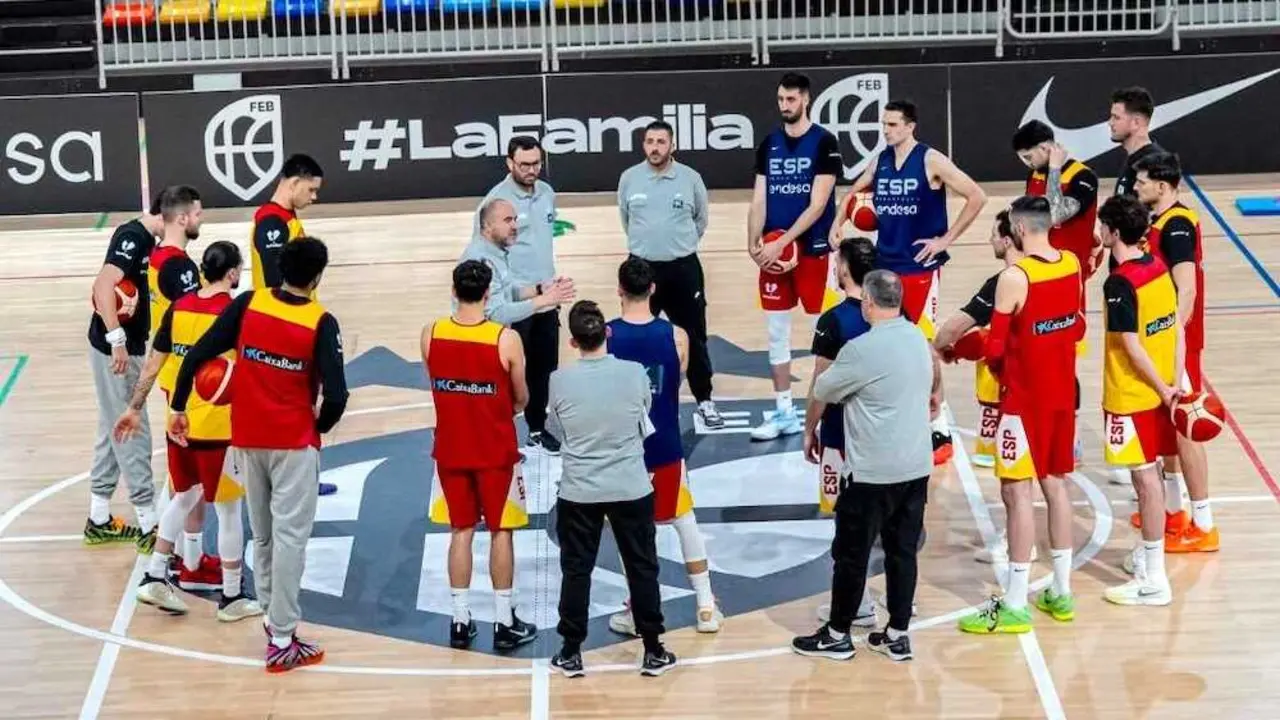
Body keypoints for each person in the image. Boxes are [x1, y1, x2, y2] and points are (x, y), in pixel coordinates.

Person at [168, 237, 348, 674]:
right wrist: (316, 430)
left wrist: (178, 406)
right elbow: (338, 395)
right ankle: (283, 638)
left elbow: (199, 353)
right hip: (292, 445)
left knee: (263, 533)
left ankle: (271, 615)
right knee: (290, 540)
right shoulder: (320, 321)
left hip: (246, 439)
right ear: (318, 277)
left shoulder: (249, 303)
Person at [792, 270, 938, 664]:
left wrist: (811, 428)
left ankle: (838, 634)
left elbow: (824, 389)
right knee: (902, 552)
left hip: (873, 471)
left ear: (869, 303)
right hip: (916, 466)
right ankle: (897, 633)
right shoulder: (917, 337)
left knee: (851, 553)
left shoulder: (860, 348)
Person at [113, 241, 263, 622]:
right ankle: (232, 597)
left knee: (183, 497)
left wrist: (133, 407)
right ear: (233, 273)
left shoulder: (179, 308)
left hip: (178, 422)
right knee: (230, 511)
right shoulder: (233, 312)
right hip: (217, 427)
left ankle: (155, 575)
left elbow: (153, 363)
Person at [837, 99, 988, 465]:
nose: (886, 131)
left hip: (921, 267)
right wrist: (836, 223)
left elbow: (976, 195)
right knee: (888, 342)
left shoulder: (930, 160)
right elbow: (854, 192)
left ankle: (939, 426)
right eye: (883, 125)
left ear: (910, 127)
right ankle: (902, 412)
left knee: (925, 346)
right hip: (886, 266)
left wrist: (945, 240)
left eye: (892, 125)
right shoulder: (882, 161)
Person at [957, 197, 1083, 635]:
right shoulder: (1072, 264)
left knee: (1016, 496)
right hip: (1063, 395)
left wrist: (968, 349)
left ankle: (1013, 603)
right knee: (1057, 487)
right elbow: (1077, 326)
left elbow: (993, 350)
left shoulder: (1015, 277)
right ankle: (1062, 592)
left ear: (1020, 229)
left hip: (1023, 400)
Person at [546, 300, 676, 678]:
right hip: (630, 485)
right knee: (642, 567)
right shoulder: (635, 374)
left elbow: (556, 429)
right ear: (607, 333)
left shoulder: (559, 380)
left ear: (572, 342)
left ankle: (571, 651)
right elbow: (644, 412)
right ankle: (653, 649)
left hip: (579, 490)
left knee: (576, 570)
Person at [422, 259, 537, 653]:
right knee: (501, 531)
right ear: (489, 294)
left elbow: (435, 382)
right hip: (494, 450)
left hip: (451, 449)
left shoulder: (431, 333)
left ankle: (459, 620)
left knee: (461, 531)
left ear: (454, 291)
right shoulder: (505, 339)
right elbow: (521, 395)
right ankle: (504, 622)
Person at [605, 257, 722, 635]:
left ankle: (639, 608)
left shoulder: (606, 337)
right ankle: (705, 606)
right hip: (665, 443)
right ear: (653, 289)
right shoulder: (677, 336)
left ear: (620, 289)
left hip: (624, 449)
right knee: (684, 521)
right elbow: (677, 380)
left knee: (630, 531)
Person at [934, 211, 1036, 565]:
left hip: (1015, 392)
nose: (990, 240)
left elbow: (953, 329)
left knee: (1012, 478)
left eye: (994, 234)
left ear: (1008, 240)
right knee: (1046, 476)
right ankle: (1043, 546)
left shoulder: (1003, 282)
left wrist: (944, 349)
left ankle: (1019, 545)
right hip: (1055, 387)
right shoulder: (1058, 269)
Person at [746, 72, 843, 442]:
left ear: (805, 99)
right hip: (772, 252)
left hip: (815, 252)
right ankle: (785, 410)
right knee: (776, 334)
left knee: (831, 332)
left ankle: (831, 405)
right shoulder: (769, 143)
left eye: (791, 99)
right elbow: (758, 199)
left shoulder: (825, 143)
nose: (784, 106)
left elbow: (818, 205)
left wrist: (783, 242)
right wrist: (753, 245)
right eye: (781, 100)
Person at [1096, 195, 1182, 606]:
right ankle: (1147, 558)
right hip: (1161, 389)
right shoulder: (1159, 267)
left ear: (1112, 232)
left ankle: (1154, 579)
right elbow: (1176, 326)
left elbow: (1130, 346)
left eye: (1102, 226)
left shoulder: (1121, 281)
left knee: (1146, 483)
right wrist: (1174, 383)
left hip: (1134, 395)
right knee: (1151, 481)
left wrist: (1163, 389)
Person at [1133, 152, 1217, 553]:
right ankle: (1173, 511)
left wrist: (1175, 338)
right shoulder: (1159, 221)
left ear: (1162, 187)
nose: (1135, 187)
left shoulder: (1178, 225)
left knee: (1187, 425)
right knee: (1167, 426)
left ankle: (1204, 524)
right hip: (1161, 340)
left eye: (1141, 181)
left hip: (1177, 343)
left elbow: (1187, 289)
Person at [805, 237, 891, 626]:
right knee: (891, 519)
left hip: (843, 433)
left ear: (843, 269)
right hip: (887, 431)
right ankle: (897, 596)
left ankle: (858, 605)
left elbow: (821, 383)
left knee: (848, 521)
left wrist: (810, 428)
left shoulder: (834, 320)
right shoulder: (895, 313)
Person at [617, 120, 723, 429]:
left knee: (695, 336)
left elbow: (700, 220)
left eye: (661, 141)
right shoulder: (629, 179)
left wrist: (677, 245)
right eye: (649, 141)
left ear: (672, 145)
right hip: (640, 269)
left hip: (683, 269)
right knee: (634, 334)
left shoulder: (690, 179)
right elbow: (626, 219)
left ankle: (704, 400)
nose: (654, 147)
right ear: (643, 145)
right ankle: (632, 400)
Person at [1013, 120, 1101, 467]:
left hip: (1066, 283)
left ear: (1048, 148)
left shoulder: (1082, 177)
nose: (1026, 163)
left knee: (1064, 361)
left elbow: (1053, 213)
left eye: (1028, 155)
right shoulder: (1035, 174)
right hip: (1032, 278)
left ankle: (1071, 437)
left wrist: (1052, 171)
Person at [143, 185, 219, 583]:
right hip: (187, 381)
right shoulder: (180, 268)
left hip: (173, 375)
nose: (201, 219)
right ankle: (180, 560)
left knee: (188, 479)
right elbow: (197, 318)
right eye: (198, 213)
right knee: (193, 481)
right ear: (183, 217)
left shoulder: (158, 259)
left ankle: (191, 559)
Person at [474, 137, 565, 455]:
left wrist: (547, 290)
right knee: (509, 372)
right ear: (509, 163)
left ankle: (537, 429)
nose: (531, 170)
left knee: (544, 368)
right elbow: (483, 254)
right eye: (524, 164)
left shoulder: (547, 194)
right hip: (512, 303)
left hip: (545, 297)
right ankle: (500, 434)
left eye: (536, 163)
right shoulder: (495, 204)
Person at [83, 196, 165, 550]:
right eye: (192, 214)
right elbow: (103, 288)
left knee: (111, 425)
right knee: (134, 428)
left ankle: (99, 519)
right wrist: (117, 339)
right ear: (170, 214)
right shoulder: (131, 237)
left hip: (118, 348)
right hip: (116, 352)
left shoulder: (147, 241)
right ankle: (149, 526)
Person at [461, 198, 576, 326]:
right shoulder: (480, 261)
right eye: (507, 220)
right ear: (487, 225)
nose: (515, 226)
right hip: (480, 342)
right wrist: (544, 300)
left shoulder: (495, 251)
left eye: (515, 220)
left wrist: (539, 289)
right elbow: (496, 314)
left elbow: (507, 293)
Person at [250, 153, 324, 292]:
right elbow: (274, 282)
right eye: (311, 189)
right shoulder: (272, 221)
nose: (314, 196)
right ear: (295, 183)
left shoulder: (285, 217)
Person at [1108, 87, 1166, 199]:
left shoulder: (1155, 164)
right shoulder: (1134, 158)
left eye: (1116, 117)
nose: (1110, 122)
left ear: (1136, 122)